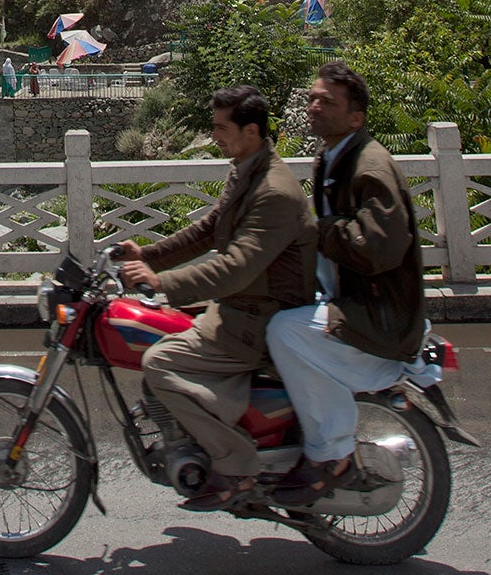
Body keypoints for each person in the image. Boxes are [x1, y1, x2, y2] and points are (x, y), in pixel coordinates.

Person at [115, 85, 313, 512]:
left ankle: (235, 466)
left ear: (252, 131)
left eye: (222, 127)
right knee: (159, 325)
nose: (215, 134)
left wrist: (161, 282)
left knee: (159, 363)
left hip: (260, 320)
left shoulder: (273, 191)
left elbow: (235, 267)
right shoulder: (246, 169)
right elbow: (209, 229)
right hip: (241, 306)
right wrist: (147, 255)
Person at [261, 61, 425, 510]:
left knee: (285, 333)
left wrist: (319, 232)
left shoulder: (369, 166)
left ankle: (330, 455)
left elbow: (380, 246)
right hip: (348, 299)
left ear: (357, 117)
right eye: (313, 97)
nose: (314, 107)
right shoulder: (333, 157)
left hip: (379, 318)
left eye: (327, 102)